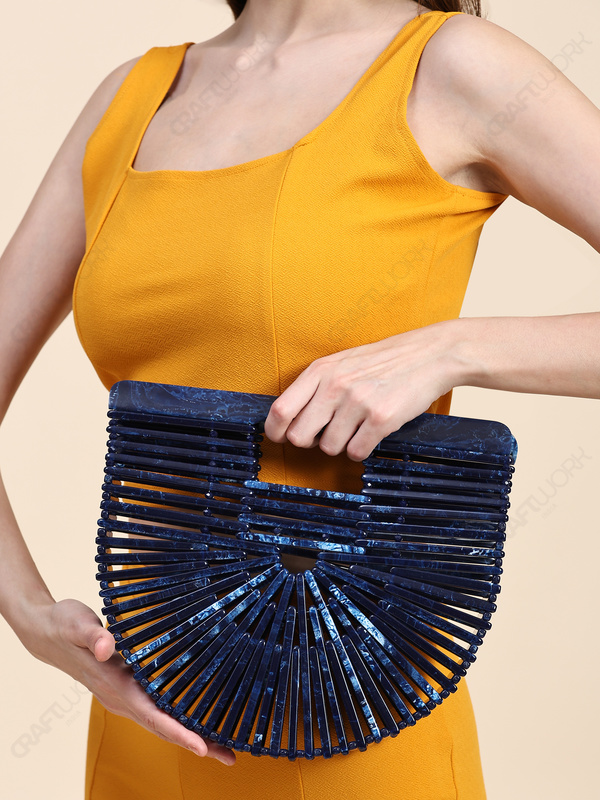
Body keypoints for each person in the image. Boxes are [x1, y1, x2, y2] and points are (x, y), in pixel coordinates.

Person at [1, 0, 599, 797]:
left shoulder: (452, 65)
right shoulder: (133, 96)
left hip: (352, 713)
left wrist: (454, 349)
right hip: (147, 713)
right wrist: (29, 614)